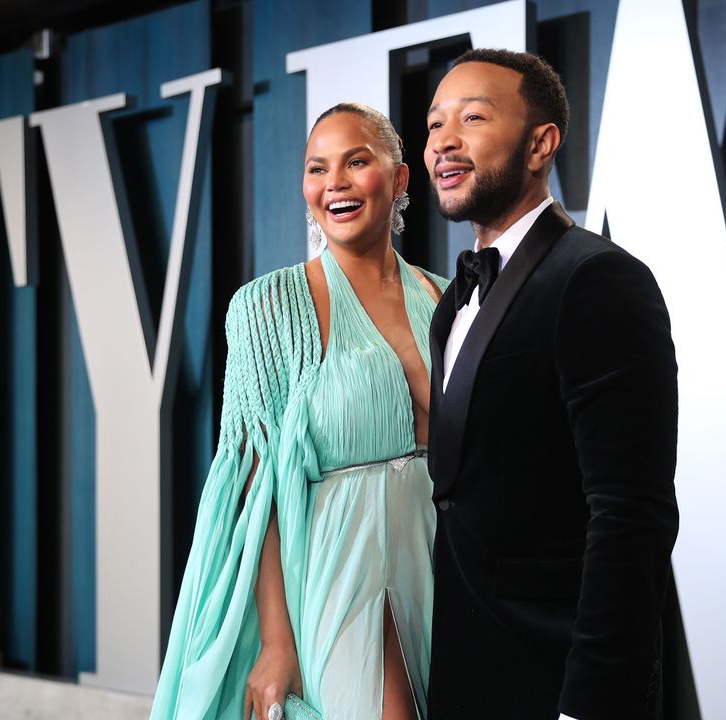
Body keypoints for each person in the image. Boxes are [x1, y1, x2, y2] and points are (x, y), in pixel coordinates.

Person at [151, 103, 446, 720]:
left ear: (399, 179)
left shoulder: (444, 296)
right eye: (318, 168)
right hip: (338, 565)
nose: (333, 182)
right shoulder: (268, 307)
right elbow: (254, 489)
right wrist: (276, 639)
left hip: (446, 559)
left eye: (356, 161)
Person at [424, 49, 679, 719]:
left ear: (541, 143)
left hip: (563, 682)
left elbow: (631, 514)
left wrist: (592, 702)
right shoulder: (453, 303)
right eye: (433, 125)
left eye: (472, 118)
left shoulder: (597, 280)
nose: (444, 141)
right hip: (467, 672)